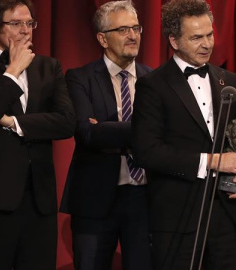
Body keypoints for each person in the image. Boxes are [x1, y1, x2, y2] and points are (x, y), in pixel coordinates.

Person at [132, 0, 236, 269]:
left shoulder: (230, 80)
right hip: (179, 219)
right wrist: (211, 161)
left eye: (210, 34)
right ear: (174, 41)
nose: (207, 44)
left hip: (229, 213)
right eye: (196, 37)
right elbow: (146, 150)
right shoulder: (152, 85)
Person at [0, 0, 75, 269]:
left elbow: (66, 122)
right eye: (16, 23)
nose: (26, 30)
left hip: (39, 201)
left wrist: (13, 122)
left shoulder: (48, 66)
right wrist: (13, 72)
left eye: (29, 23)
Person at [59, 1, 152, 270]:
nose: (133, 35)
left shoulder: (153, 79)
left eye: (136, 28)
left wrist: (105, 129)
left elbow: (165, 135)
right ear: (102, 38)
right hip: (95, 198)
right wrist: (145, 130)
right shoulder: (79, 78)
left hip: (144, 198)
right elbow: (87, 133)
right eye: (123, 29)